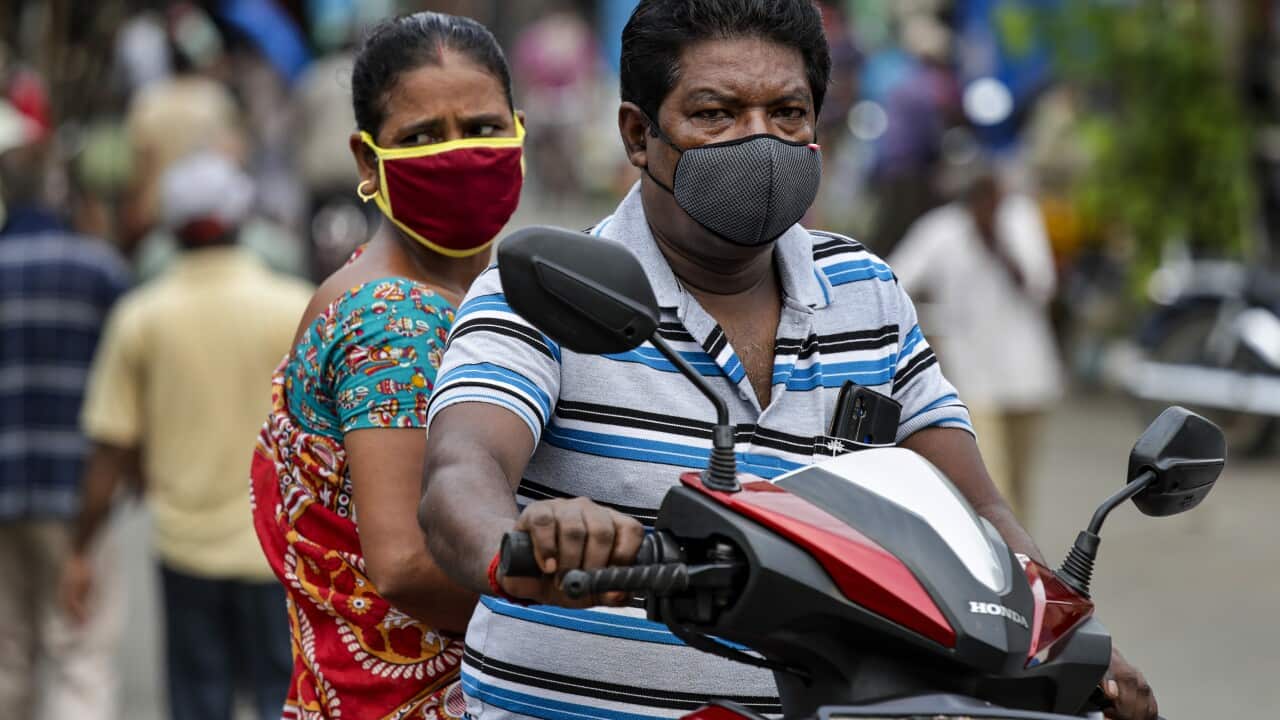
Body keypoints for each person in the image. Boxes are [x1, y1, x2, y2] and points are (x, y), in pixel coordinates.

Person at [419, 2, 1157, 719]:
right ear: (639, 134)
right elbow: (461, 474)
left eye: (788, 114)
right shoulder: (550, 290)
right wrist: (525, 541)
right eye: (716, 114)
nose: (760, 141)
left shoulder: (865, 291)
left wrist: (1069, 636)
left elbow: (979, 508)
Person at [248, 12, 524, 720]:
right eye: (422, 137)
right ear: (368, 162)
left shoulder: (375, 289)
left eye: (483, 128)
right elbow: (406, 564)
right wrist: (592, 606)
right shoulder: (392, 321)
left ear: (520, 133)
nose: (458, 155)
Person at [62, 151, 313, 720]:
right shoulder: (291, 305)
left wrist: (80, 550)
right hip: (275, 550)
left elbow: (111, 447)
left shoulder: (141, 317)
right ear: (240, 218)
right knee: (285, 694)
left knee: (198, 700)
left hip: (185, 548)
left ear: (170, 228)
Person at [0, 95, 131, 720]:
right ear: (55, 190)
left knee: (9, 656)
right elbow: (126, 387)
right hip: (80, 497)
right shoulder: (98, 270)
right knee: (79, 653)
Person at [890, 168, 1064, 518]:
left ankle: (1020, 568)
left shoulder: (1020, 220)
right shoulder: (941, 230)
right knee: (994, 490)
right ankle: (1002, 562)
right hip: (974, 381)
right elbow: (892, 281)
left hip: (1030, 377)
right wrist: (926, 329)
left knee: (1019, 487)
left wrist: (995, 241)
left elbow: (1041, 288)